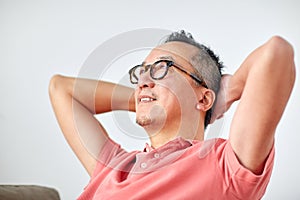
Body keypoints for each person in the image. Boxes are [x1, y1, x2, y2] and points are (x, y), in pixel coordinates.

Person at [49, 30, 295, 199]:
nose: (143, 80)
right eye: (142, 72)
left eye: (161, 68)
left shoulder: (225, 168)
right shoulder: (115, 166)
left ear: (204, 98)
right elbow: (61, 89)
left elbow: (276, 52)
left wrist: (229, 91)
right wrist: (146, 99)